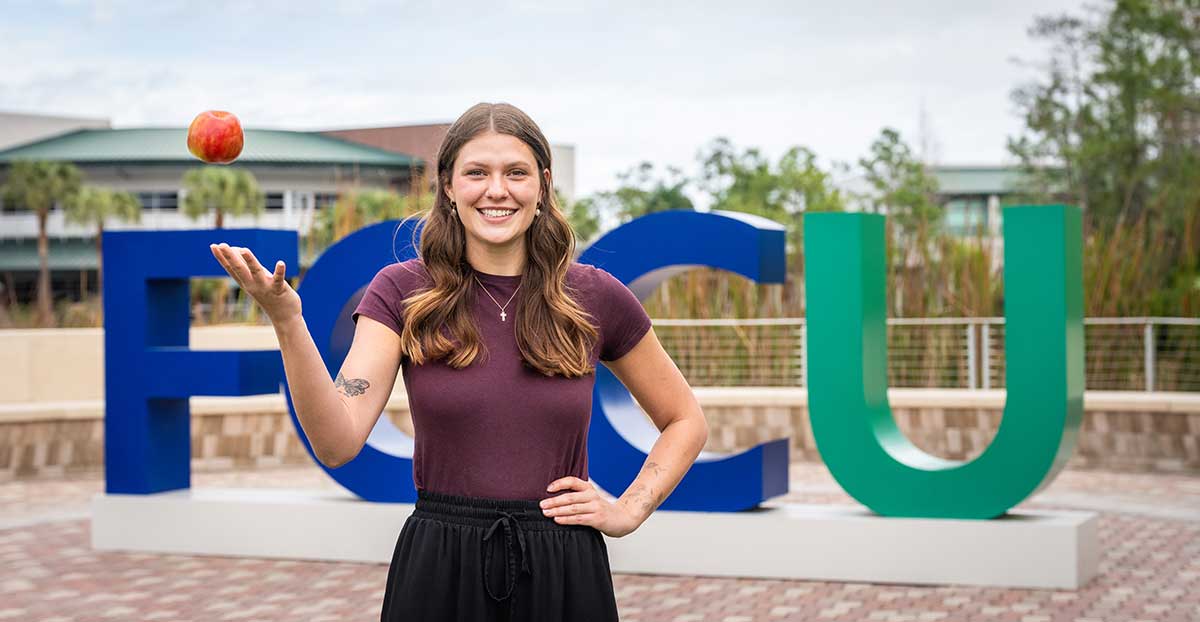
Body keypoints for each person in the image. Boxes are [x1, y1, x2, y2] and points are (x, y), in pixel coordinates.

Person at [208, 102, 709, 621]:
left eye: (515, 172)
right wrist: (288, 321)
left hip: (564, 566)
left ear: (542, 184)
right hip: (439, 566)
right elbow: (337, 442)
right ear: (448, 185)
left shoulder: (594, 295)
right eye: (476, 173)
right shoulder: (401, 291)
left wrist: (630, 508)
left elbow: (685, 419)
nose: (497, 190)